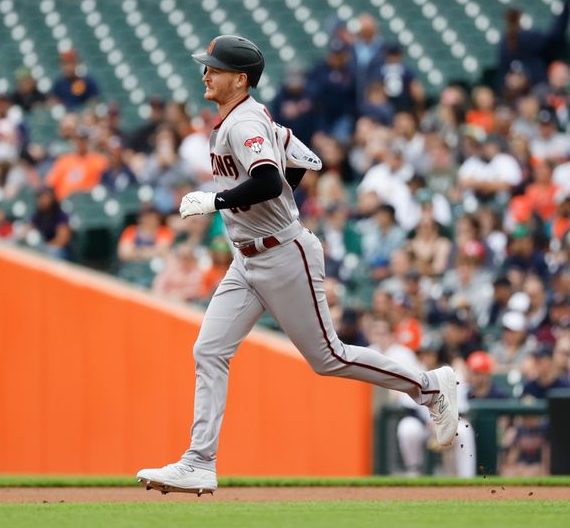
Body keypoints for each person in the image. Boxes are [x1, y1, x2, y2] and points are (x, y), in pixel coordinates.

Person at [136, 35, 459, 496]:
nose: (205, 73)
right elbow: (303, 156)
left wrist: (218, 200)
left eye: (215, 68)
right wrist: (277, 187)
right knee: (209, 350)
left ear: (240, 78)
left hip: (283, 254)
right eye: (206, 66)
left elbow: (268, 180)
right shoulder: (251, 116)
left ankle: (430, 387)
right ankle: (199, 461)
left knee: (329, 357)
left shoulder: (245, 119)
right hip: (246, 258)